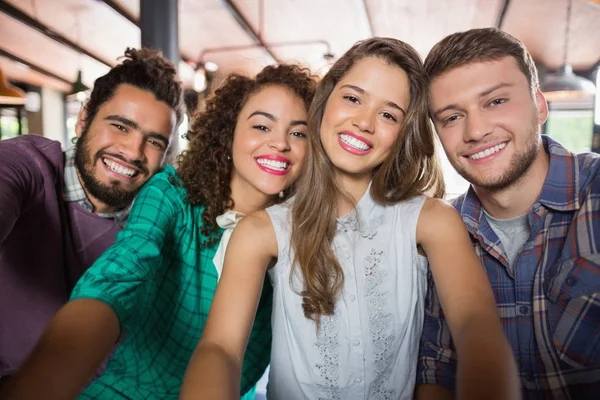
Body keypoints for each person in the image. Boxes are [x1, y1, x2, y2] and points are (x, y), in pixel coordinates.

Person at [180, 37, 520, 400]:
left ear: (404, 133)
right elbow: (220, 349)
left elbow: (476, 326)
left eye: (388, 114)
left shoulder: (433, 220)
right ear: (325, 103)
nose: (363, 122)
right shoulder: (261, 231)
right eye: (353, 98)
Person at [0, 64, 317, 400]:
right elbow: (116, 277)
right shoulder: (170, 194)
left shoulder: (302, 235)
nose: (280, 143)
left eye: (299, 133)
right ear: (229, 133)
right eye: (262, 125)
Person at [416, 28, 600, 399]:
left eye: (496, 101)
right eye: (452, 117)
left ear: (540, 105)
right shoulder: (439, 233)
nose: (476, 130)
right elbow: (434, 370)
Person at [0, 47, 184, 387]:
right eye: (120, 126)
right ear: (84, 119)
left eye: (154, 141)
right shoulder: (28, 164)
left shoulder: (155, 226)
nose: (132, 152)